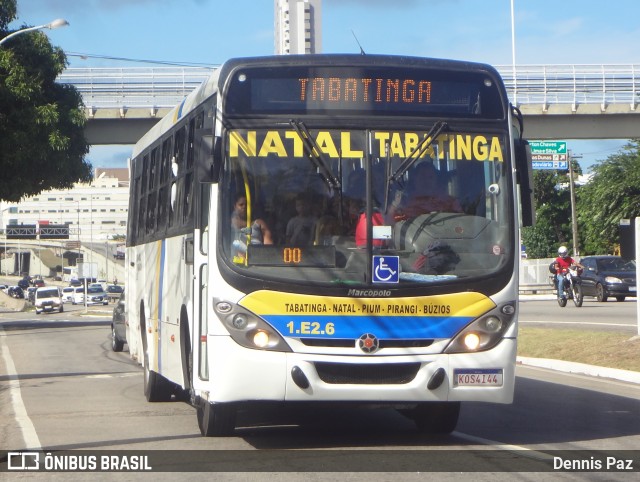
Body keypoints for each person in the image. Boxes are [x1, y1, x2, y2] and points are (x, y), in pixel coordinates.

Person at [389, 162, 462, 221]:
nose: (427, 181)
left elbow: (461, 221)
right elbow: (389, 225)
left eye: (430, 177)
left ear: (436, 180)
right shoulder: (403, 203)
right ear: (415, 179)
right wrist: (394, 206)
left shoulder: (449, 203)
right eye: (422, 176)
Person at [231, 194, 272, 262]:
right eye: (241, 205)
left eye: (247, 204)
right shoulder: (229, 224)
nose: (244, 207)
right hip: (238, 264)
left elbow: (268, 246)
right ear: (235, 206)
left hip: (259, 257)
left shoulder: (259, 223)